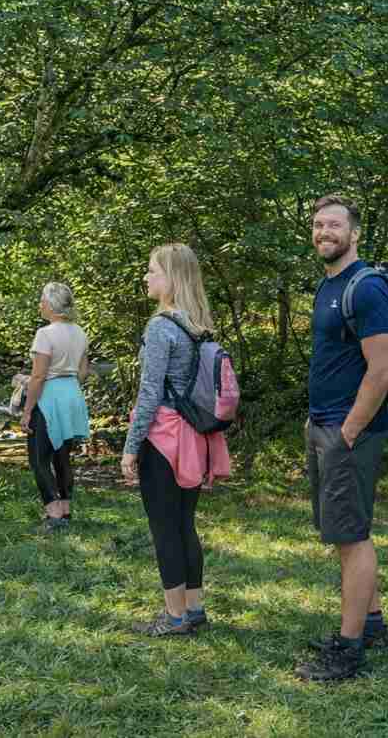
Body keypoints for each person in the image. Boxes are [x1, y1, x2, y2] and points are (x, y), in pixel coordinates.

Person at [295, 194, 388, 682]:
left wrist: (349, 429)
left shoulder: (367, 288)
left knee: (352, 536)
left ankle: (350, 647)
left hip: (348, 430)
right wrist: (316, 422)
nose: (323, 232)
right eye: (317, 225)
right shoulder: (326, 286)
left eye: (333, 225)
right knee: (343, 529)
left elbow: (383, 371)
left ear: (354, 234)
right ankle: (371, 623)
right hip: (325, 424)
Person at [122, 243, 231, 638]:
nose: (146, 277)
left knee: (164, 527)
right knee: (184, 524)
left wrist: (131, 446)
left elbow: (149, 394)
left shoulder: (160, 327)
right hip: (193, 437)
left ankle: (174, 617)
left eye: (153, 271)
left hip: (164, 439)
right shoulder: (196, 325)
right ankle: (194, 607)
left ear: (172, 279)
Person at [21, 282, 91, 533]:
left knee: (39, 459)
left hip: (48, 398)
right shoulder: (80, 332)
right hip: (72, 394)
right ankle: (65, 509)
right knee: (62, 458)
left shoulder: (45, 334)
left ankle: (53, 516)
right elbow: (83, 372)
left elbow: (38, 377)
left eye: (42, 300)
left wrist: (27, 410)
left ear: (51, 305)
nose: (40, 304)